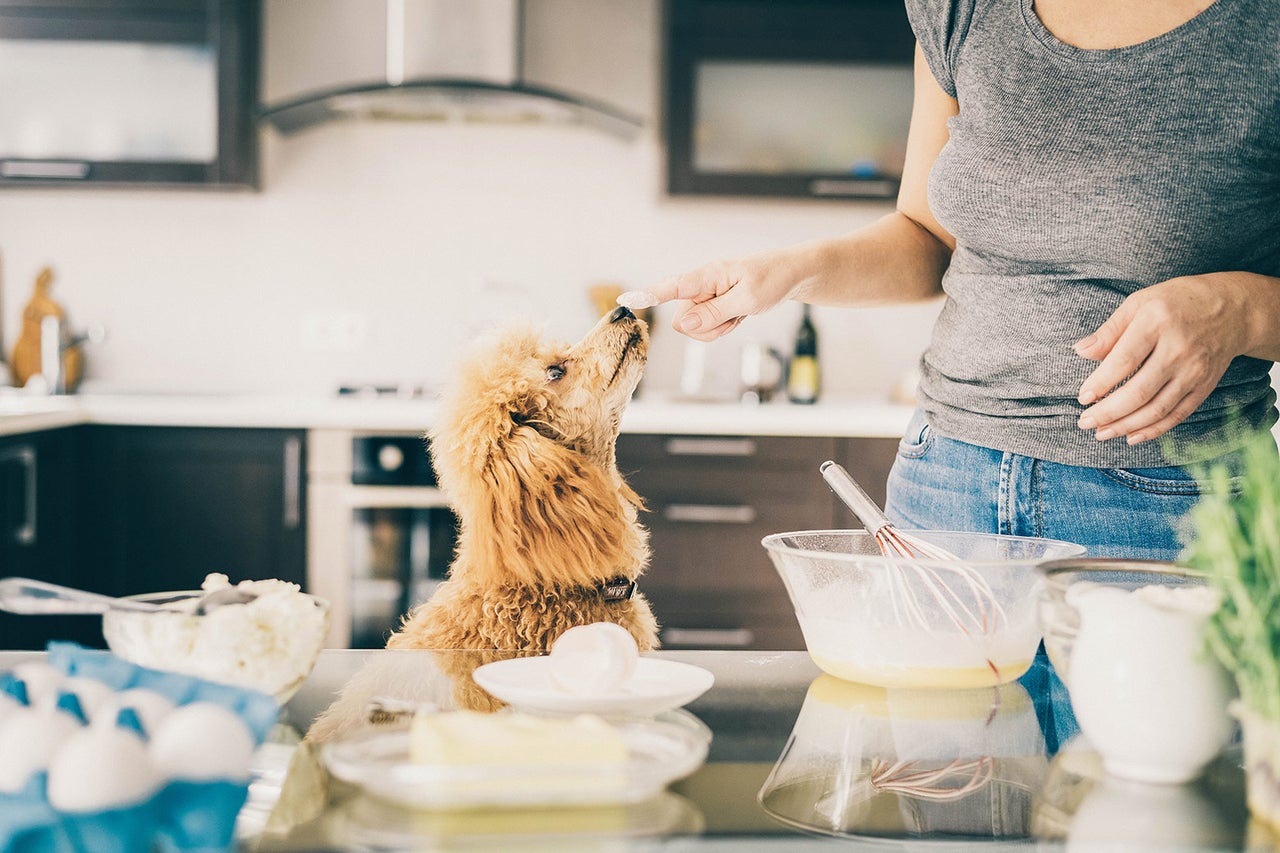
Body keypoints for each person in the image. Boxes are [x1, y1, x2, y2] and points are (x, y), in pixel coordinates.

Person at [620, 0, 1280, 561]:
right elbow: (926, 237)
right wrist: (785, 272)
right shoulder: (963, 10)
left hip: (1176, 504)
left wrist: (1239, 309)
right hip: (947, 484)